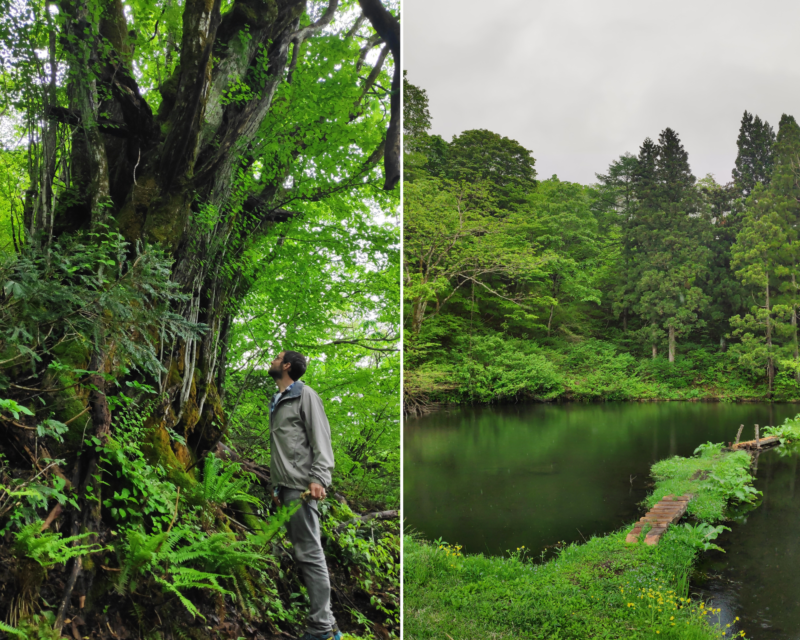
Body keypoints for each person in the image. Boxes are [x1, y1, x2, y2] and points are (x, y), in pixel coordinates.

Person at [268, 350, 342, 640]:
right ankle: (331, 628)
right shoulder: (277, 400)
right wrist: (276, 486)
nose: (272, 361)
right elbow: (284, 449)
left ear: (286, 366)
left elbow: (321, 438)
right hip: (286, 488)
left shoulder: (305, 395)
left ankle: (321, 629)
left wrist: (320, 478)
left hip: (302, 489)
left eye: (277, 358)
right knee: (305, 554)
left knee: (310, 555)